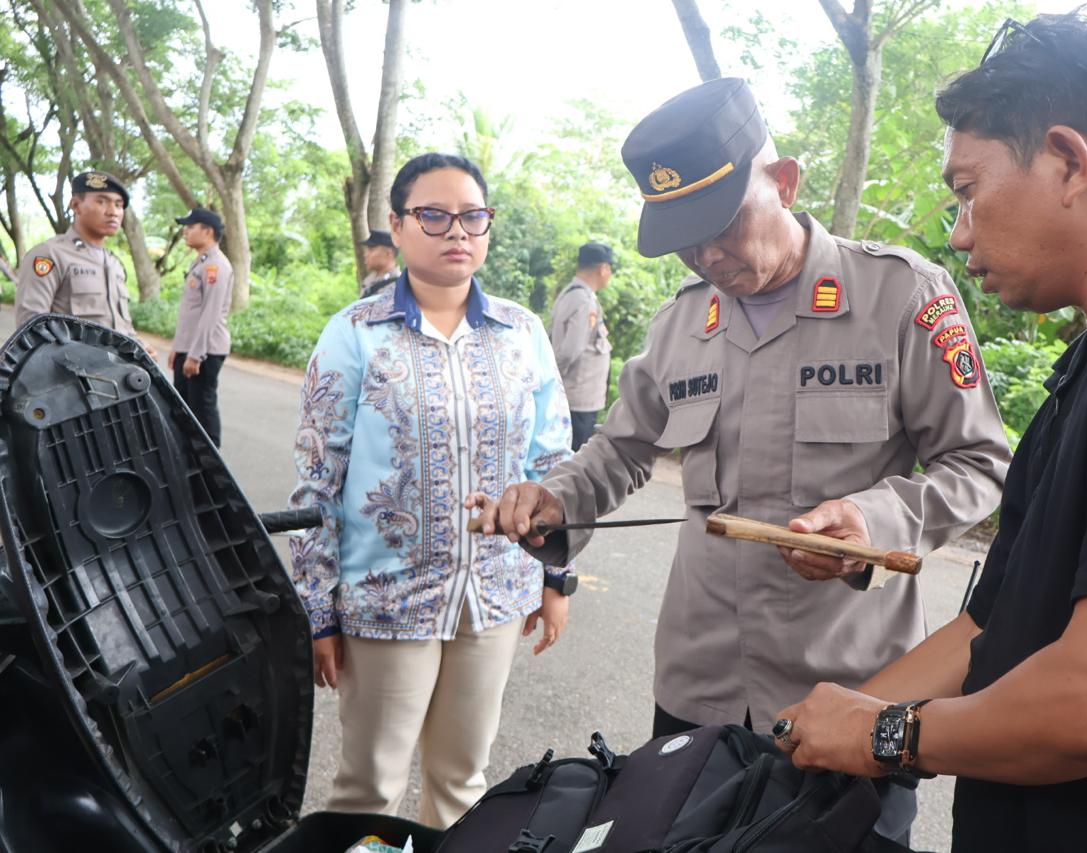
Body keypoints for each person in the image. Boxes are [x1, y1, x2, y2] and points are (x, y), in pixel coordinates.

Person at [772, 11, 1087, 852]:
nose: (959, 234)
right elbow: (991, 630)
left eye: (968, 191)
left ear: (1068, 161)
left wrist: (885, 734)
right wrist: (804, 738)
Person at [477, 77, 1010, 844]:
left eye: (723, 223)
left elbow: (978, 459)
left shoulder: (900, 296)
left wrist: (870, 517)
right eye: (685, 239)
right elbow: (622, 448)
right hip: (702, 687)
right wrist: (556, 498)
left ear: (784, 181)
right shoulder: (680, 324)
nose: (709, 254)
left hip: (854, 690)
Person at [288, 152, 574, 829]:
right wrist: (316, 608)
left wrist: (556, 574)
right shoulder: (355, 334)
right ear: (398, 223)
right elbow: (315, 482)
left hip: (496, 595)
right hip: (386, 598)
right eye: (435, 215)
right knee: (370, 788)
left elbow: (554, 462)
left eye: (473, 216)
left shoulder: (521, 333)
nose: (457, 232)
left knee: (463, 781)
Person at [16, 170, 142, 339]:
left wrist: (139, 346)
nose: (113, 212)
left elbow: (122, 325)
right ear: (76, 205)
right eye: (102, 202)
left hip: (117, 365)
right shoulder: (50, 254)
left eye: (119, 205)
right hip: (69, 364)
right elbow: (31, 327)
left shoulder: (114, 263)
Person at [169, 207, 233, 447]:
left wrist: (195, 355)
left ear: (207, 231)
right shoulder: (201, 262)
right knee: (183, 407)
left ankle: (212, 464)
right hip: (190, 347)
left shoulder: (216, 266)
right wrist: (178, 348)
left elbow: (210, 314)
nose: (185, 231)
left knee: (201, 409)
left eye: (190, 227)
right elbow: (189, 314)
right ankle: (189, 459)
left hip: (205, 350)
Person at [550, 242, 614, 450]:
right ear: (603, 268)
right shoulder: (583, 300)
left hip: (575, 398)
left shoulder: (569, 293)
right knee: (574, 463)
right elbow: (569, 350)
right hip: (578, 400)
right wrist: (556, 385)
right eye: (610, 269)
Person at [360, 229, 401, 298]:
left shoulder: (400, 285)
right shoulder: (368, 280)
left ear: (388, 254)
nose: (365, 254)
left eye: (371, 250)